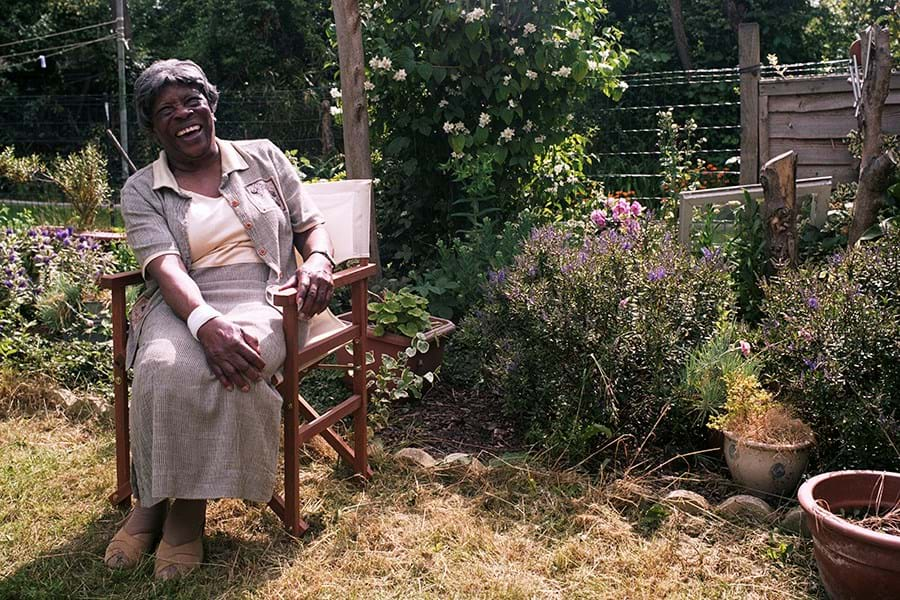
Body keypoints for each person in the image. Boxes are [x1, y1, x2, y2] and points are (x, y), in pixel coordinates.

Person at [103, 59, 335, 580]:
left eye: (192, 101)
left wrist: (319, 259)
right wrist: (205, 321)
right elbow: (162, 265)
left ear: (211, 105)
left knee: (231, 365)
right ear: (151, 126)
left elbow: (310, 226)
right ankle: (152, 499)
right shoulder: (142, 189)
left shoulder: (262, 158)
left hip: (266, 294)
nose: (184, 115)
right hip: (183, 301)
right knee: (162, 367)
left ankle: (184, 517)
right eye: (166, 110)